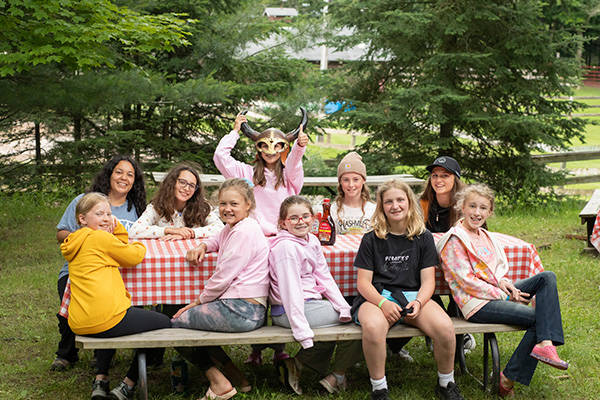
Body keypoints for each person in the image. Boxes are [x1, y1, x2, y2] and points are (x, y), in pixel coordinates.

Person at [436, 184, 568, 397]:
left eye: (483, 208)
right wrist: (505, 295)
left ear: (490, 212)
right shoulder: (455, 239)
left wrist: (503, 282)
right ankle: (507, 377)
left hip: (494, 293)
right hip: (475, 304)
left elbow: (494, 269)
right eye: (472, 206)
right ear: (461, 206)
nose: (477, 212)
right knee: (540, 319)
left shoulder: (484, 236)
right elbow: (467, 282)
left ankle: (544, 343)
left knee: (547, 277)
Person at [353, 179, 464, 400]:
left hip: (414, 297)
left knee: (445, 328)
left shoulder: (423, 237)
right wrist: (383, 304)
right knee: (374, 328)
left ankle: (446, 384)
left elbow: (428, 282)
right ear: (381, 206)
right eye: (389, 202)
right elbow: (363, 283)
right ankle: (379, 388)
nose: (395, 206)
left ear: (410, 203)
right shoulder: (371, 239)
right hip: (379, 297)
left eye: (400, 200)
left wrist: (420, 302)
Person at [214, 110, 308, 365]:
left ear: (283, 149)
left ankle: (279, 348)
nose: (270, 151)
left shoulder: (287, 176)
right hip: (254, 244)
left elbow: (295, 169)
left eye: (278, 146)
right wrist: (235, 131)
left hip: (281, 244)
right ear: (258, 147)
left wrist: (298, 148)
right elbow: (220, 157)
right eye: (265, 146)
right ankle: (255, 351)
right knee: (258, 296)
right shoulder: (245, 173)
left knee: (280, 295)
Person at [61, 193, 171, 400]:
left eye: (109, 214)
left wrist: (115, 234)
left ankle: (100, 381)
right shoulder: (100, 238)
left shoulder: (75, 239)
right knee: (164, 323)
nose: (106, 218)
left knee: (114, 316)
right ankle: (128, 383)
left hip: (79, 321)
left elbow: (115, 247)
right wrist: (131, 237)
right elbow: (134, 256)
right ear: (82, 219)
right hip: (105, 319)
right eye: (99, 214)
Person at [171, 178, 271, 400]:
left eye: (234, 204)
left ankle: (218, 382)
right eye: (223, 204)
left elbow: (223, 277)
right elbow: (218, 237)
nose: (227, 209)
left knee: (173, 326)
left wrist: (198, 301)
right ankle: (237, 377)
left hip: (242, 310)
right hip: (244, 308)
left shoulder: (244, 232)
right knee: (190, 321)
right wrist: (203, 245)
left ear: (248, 205)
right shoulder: (237, 227)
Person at [51, 155, 146, 371]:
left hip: (120, 268)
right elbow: (61, 233)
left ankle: (103, 354)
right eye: (119, 172)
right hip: (84, 269)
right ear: (109, 174)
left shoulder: (136, 207)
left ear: (135, 181)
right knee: (74, 300)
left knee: (117, 306)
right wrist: (88, 239)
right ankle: (66, 353)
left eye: (130, 175)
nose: (124, 178)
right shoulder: (84, 200)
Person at [269, 195, 362, 395]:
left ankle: (296, 365)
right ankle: (338, 376)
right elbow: (290, 291)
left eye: (305, 216)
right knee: (362, 319)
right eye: (293, 218)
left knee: (353, 313)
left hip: (309, 304)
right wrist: (301, 331)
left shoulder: (311, 240)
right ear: (283, 223)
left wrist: (343, 306)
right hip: (288, 311)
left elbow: (324, 276)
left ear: (314, 218)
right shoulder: (286, 247)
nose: (300, 221)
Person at [129, 164, 223, 240]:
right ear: (172, 183)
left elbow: (220, 229)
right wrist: (170, 230)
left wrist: (191, 233)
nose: (187, 188)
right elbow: (134, 231)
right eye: (182, 182)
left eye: (192, 185)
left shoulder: (202, 207)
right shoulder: (157, 207)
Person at [332, 152, 376, 235]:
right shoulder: (332, 210)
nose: (351, 185)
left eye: (356, 179)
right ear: (340, 182)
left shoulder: (374, 210)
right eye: (346, 180)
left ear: (363, 180)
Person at [420, 156, 466, 233]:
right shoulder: (422, 204)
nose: (438, 180)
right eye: (435, 175)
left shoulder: (466, 206)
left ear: (455, 179)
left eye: (445, 175)